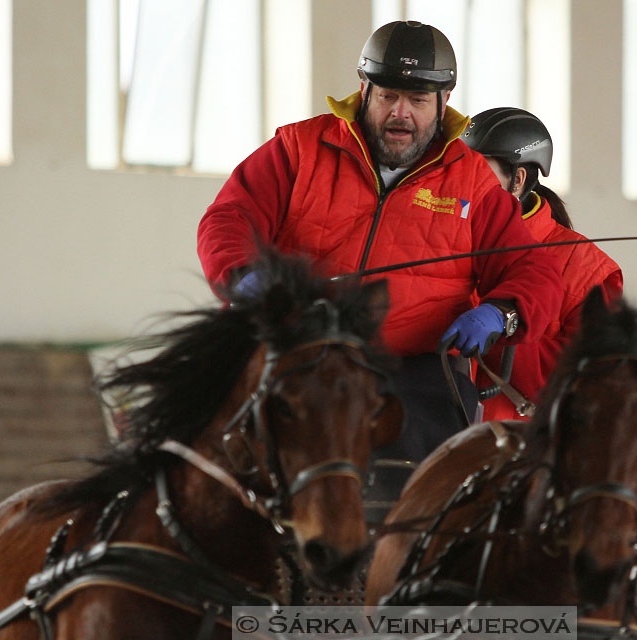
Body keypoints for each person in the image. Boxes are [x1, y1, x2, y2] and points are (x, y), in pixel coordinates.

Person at [197, 23, 564, 467]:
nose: (400, 113)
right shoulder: (299, 149)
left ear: (444, 102)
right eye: (388, 95)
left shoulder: (473, 182)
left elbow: (534, 272)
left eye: (418, 100)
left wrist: (501, 313)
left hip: (411, 372)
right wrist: (245, 278)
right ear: (365, 90)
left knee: (432, 496)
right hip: (289, 347)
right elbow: (229, 218)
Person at [462, 107, 624, 421]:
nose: (463, 188)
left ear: (518, 180)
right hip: (434, 445)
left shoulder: (586, 269)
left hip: (519, 457)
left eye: (478, 175)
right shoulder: (444, 238)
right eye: (459, 174)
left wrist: (499, 334)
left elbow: (587, 377)